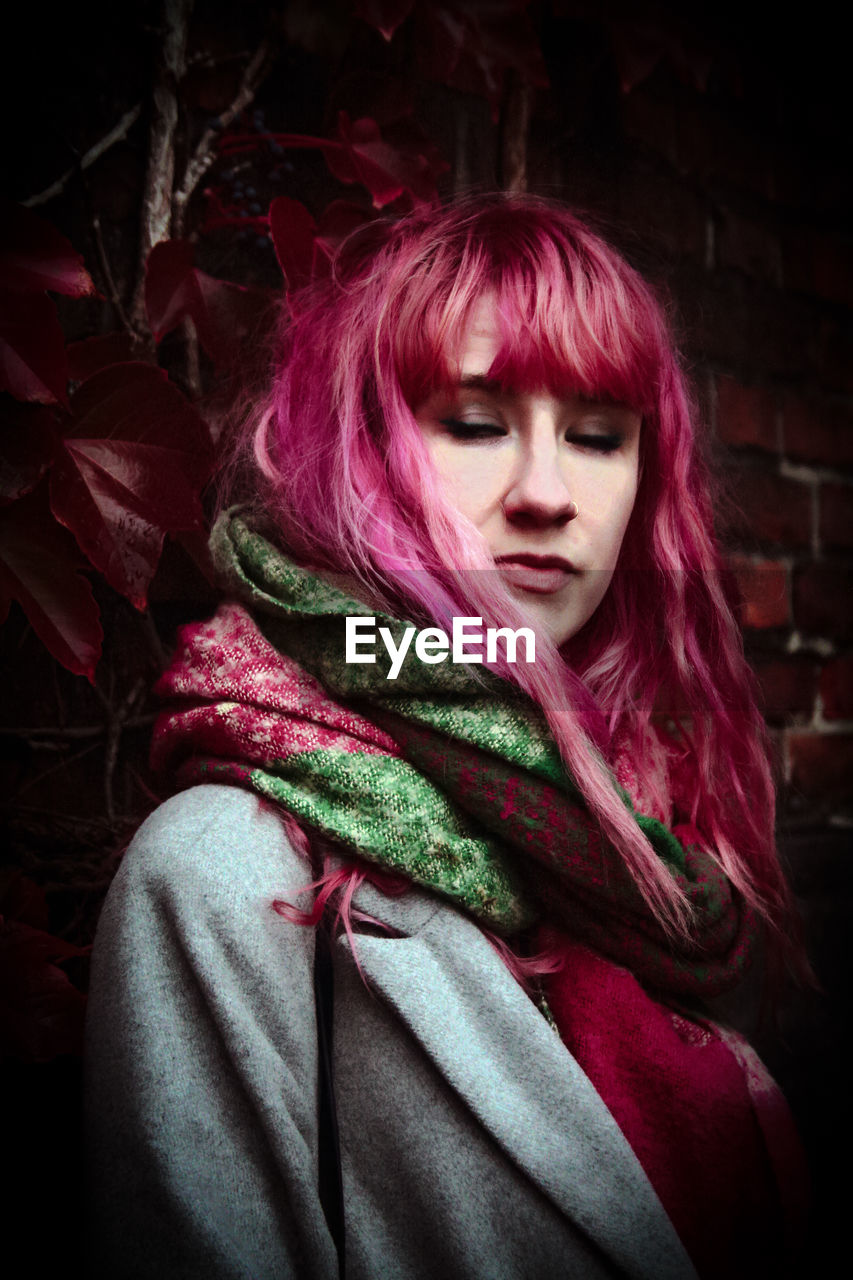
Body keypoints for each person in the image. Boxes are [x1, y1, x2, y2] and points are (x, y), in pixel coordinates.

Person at [85, 194, 808, 1279]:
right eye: (473, 422)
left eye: (599, 435)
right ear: (363, 455)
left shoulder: (660, 823)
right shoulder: (223, 869)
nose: (547, 493)